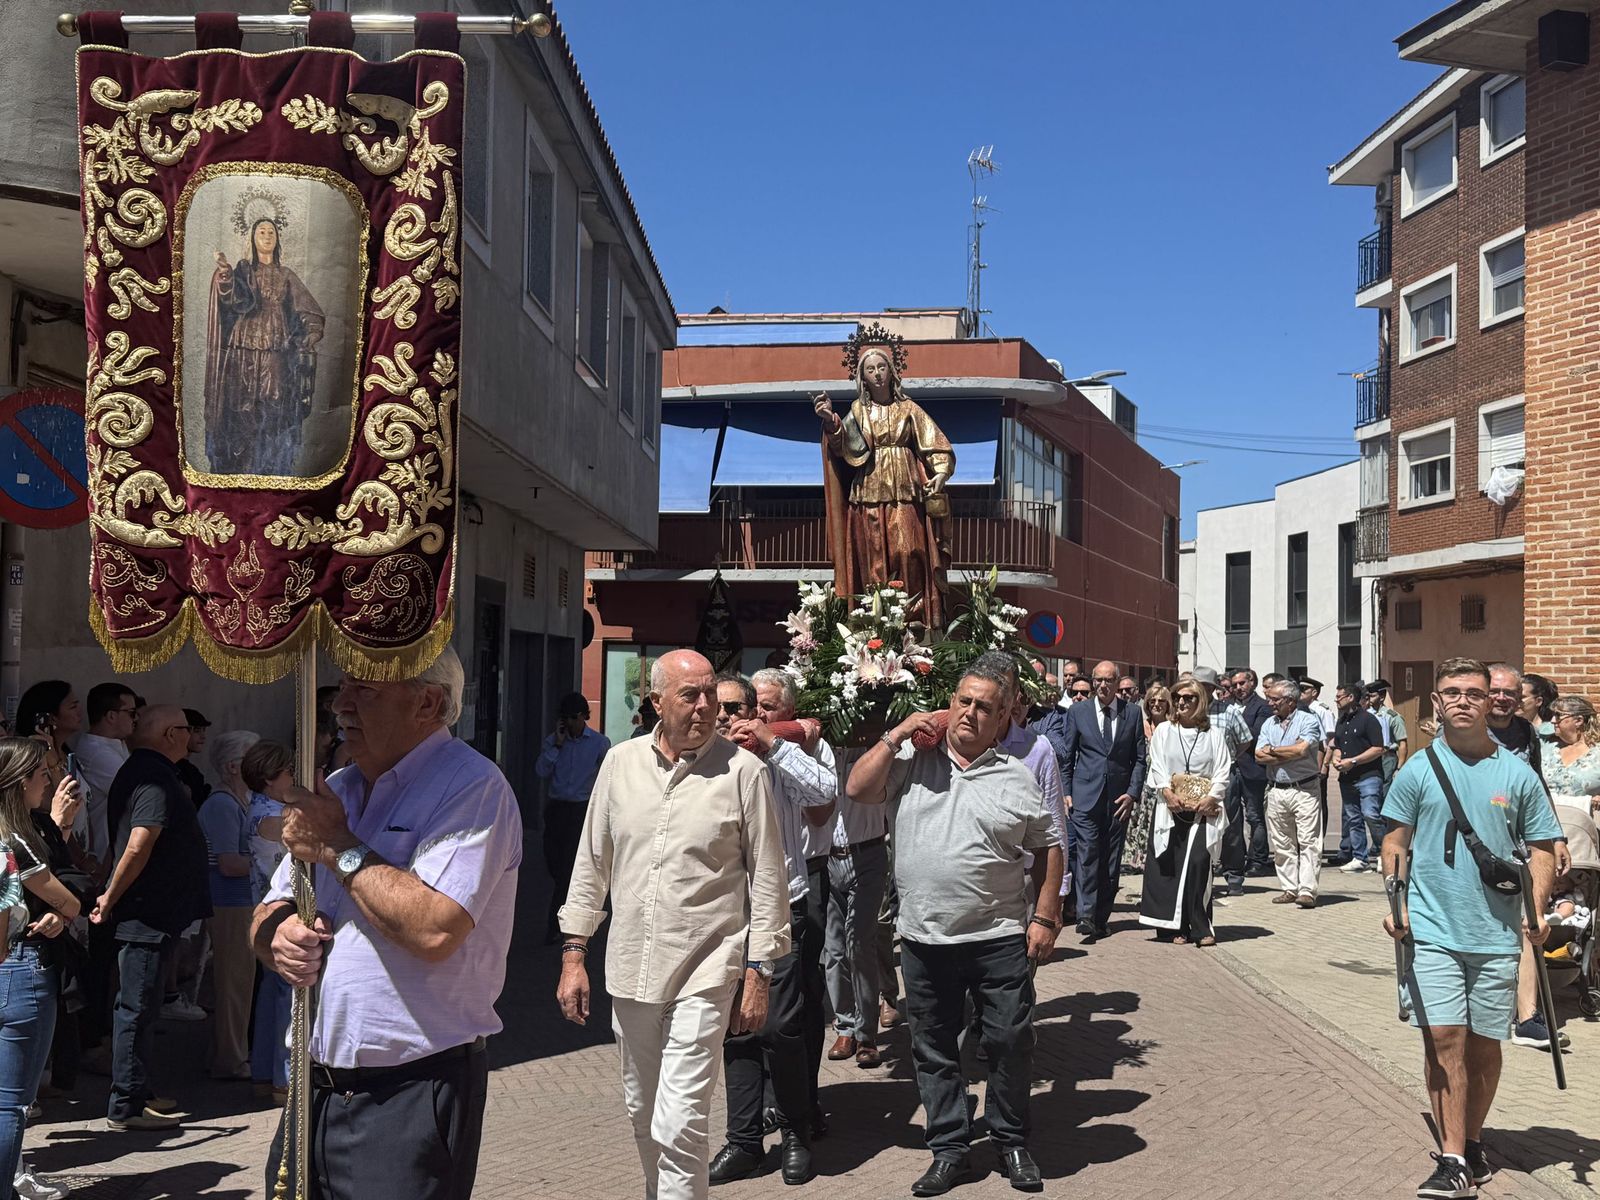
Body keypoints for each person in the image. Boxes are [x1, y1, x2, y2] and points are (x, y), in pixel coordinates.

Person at [252, 648, 520, 1199]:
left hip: (411, 1089)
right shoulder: (340, 788)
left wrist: (341, 847)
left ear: (428, 702)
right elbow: (268, 909)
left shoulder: (473, 788)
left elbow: (434, 928)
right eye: (343, 685)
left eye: (364, 689)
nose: (340, 704)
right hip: (314, 1086)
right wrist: (277, 934)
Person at [556, 650, 788, 1200]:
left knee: (680, 1119)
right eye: (691, 695)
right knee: (642, 1109)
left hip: (708, 966)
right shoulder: (619, 763)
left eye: (712, 693)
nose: (706, 706)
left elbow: (770, 879)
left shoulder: (745, 772)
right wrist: (573, 954)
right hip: (631, 964)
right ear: (656, 702)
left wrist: (759, 973)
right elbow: (593, 861)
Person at [846, 661, 1062, 1196]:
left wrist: (1045, 915)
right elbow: (857, 788)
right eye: (963, 700)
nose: (969, 712)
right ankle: (950, 1149)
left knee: (1010, 1040)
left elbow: (1049, 845)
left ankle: (1011, 1140)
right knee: (934, 1046)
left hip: (998, 936)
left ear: (1004, 716)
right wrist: (896, 733)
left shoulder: (1018, 774)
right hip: (924, 937)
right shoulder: (913, 762)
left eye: (984, 706)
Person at [1381, 658, 1561, 1200]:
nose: (1462, 700)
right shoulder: (1416, 769)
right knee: (1443, 1040)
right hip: (1433, 929)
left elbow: (1543, 848)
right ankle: (1453, 1158)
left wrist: (1538, 908)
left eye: (1473, 693)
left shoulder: (1516, 773)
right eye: (1452, 692)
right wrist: (1398, 899)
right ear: (1437, 703)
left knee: (1484, 1048)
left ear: (1491, 702)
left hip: (1497, 933)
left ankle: (1474, 1138)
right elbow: (1395, 843)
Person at [708, 671, 835, 1186]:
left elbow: (826, 793)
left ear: (757, 713)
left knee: (782, 1028)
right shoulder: (701, 762)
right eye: (716, 708)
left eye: (735, 708)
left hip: (783, 910)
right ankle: (743, 1143)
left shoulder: (776, 755)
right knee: (736, 1032)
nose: (723, 718)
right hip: (722, 917)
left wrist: (770, 746)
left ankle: (797, 1134)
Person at [92, 705, 212, 1132]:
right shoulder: (153, 777)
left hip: (156, 914)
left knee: (143, 1010)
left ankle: (139, 1089)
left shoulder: (146, 770)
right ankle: (125, 1105)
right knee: (135, 1009)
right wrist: (109, 896)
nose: (191, 736)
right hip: (145, 915)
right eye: (185, 728)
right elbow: (139, 843)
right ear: (169, 734)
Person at [815, 338, 956, 626]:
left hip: (905, 490)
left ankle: (913, 616)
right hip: (867, 489)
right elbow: (844, 448)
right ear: (863, 377)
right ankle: (876, 620)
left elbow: (935, 442)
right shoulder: (857, 411)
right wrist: (831, 421)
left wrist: (940, 472)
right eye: (870, 369)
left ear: (892, 372)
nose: (877, 373)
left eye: (882, 367)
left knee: (909, 550)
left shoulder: (909, 409)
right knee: (874, 557)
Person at [0, 738, 84, 1200]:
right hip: (17, 965)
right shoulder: (14, 842)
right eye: (41, 774)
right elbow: (68, 899)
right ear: (21, 782)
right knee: (10, 1102)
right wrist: (64, 910)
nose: (48, 780)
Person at [1484, 666, 1573, 1050]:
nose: (1503, 698)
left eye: (1510, 693)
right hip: (1479, 843)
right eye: (1496, 691)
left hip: (1524, 842)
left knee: (1531, 923)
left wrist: (1556, 837)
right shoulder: (1464, 732)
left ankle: (1527, 1017)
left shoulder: (1526, 734)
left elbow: (1538, 785)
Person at [206, 211, 327, 476]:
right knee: (241, 406)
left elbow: (308, 310)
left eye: (271, 232)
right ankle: (241, 469)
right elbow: (230, 299)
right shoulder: (242, 272)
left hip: (276, 346)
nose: (267, 235)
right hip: (243, 345)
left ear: (278, 239)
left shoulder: (285, 275)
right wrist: (224, 273)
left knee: (274, 404)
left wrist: (311, 333)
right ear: (252, 238)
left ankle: (270, 468)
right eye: (261, 231)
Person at [1040, 660, 1148, 942]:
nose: (1102, 685)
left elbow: (1139, 759)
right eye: (1098, 680)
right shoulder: (1079, 712)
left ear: (1117, 683)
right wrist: (1066, 791)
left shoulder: (1133, 714)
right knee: (1087, 854)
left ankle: (1101, 918)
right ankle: (1086, 915)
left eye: (1108, 680)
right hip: (1085, 796)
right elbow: (1068, 755)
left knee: (1110, 861)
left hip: (1118, 799)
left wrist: (1133, 793)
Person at [1138, 676, 1230, 945]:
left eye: (1188, 698)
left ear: (1200, 701)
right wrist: (1167, 792)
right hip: (1172, 807)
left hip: (1204, 809)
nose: (1181, 702)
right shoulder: (1165, 731)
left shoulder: (1213, 735)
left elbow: (1223, 769)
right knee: (1170, 863)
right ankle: (1173, 926)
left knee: (1199, 863)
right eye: (1177, 697)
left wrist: (1212, 796)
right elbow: (1157, 765)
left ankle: (1200, 927)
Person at [195, 730, 259, 1081]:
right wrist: (271, 861)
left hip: (240, 901)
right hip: (230, 902)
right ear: (234, 766)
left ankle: (226, 1053)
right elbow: (229, 863)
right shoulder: (222, 804)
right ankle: (230, 1058)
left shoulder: (240, 801)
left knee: (239, 981)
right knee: (234, 982)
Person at [534, 692, 610, 944]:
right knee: (554, 865)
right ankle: (563, 909)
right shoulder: (555, 742)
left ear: (584, 717)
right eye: (564, 718)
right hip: (556, 808)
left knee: (567, 868)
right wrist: (556, 745)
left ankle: (556, 924)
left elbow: (606, 777)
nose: (569, 723)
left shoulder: (599, 744)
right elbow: (541, 770)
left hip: (580, 810)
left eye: (573, 718)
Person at [241, 740, 293, 1103]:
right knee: (287, 998)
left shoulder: (265, 807)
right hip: (278, 909)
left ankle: (264, 1074)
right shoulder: (270, 814)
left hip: (266, 906)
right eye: (290, 773)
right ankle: (283, 1078)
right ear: (270, 778)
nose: (295, 778)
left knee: (271, 995)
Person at [1255, 678, 1326, 908]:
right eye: (1269, 699)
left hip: (1304, 789)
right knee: (1282, 842)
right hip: (1277, 789)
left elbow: (1303, 749)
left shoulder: (1309, 721)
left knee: (1308, 841)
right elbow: (1258, 755)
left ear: (1290, 701)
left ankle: (1307, 891)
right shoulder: (1268, 724)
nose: (1270, 703)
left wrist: (1273, 751)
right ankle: (1289, 888)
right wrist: (1288, 751)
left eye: (1275, 699)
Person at [72, 682, 137, 871]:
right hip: (104, 856)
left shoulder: (114, 744)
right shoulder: (97, 752)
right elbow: (138, 791)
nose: (136, 719)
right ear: (111, 716)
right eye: (131, 713)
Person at [1221, 669, 1271, 893]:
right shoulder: (1227, 706)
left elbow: (1256, 735)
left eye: (1242, 683)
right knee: (1232, 819)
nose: (1237, 687)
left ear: (1252, 682)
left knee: (1254, 816)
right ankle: (1235, 860)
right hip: (1231, 769)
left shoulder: (1262, 706)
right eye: (1234, 684)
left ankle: (1258, 860)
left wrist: (1232, 729)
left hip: (1252, 768)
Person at [1333, 682, 1386, 874]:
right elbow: (1337, 744)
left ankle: (1383, 853)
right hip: (1347, 778)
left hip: (1368, 775)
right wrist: (1337, 756)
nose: (1336, 700)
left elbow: (1378, 748)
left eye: (1339, 697)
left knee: (1371, 814)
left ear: (1351, 698)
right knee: (1353, 818)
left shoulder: (1368, 719)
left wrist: (1353, 761)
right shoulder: (1341, 721)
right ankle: (1359, 858)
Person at [1123, 683, 1171, 874]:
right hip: (1142, 784)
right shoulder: (1140, 725)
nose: (1156, 704)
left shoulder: (1172, 727)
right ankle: (1139, 862)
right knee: (1140, 823)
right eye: (1152, 701)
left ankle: (1157, 862)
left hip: (1163, 784)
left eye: (1161, 701)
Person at [175, 711, 211, 809]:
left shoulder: (193, 772)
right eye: (196, 730)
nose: (203, 736)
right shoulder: (171, 768)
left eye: (204, 730)